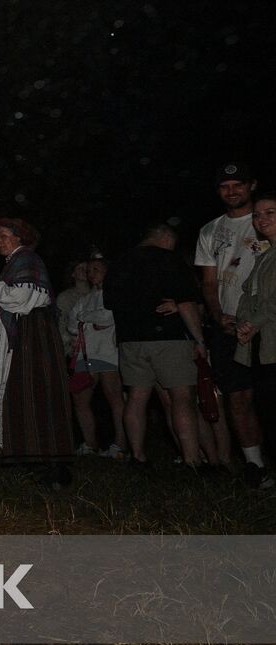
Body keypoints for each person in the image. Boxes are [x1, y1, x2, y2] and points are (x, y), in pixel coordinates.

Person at [105, 223, 209, 468]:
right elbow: (186, 303)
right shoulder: (169, 260)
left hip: (131, 340)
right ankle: (193, 461)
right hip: (168, 338)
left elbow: (110, 303)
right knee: (182, 396)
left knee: (137, 397)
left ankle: (138, 456)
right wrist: (199, 339)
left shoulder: (119, 264)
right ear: (165, 238)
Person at [0, 219, 73, 484]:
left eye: (4, 235)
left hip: (32, 336)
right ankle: (33, 457)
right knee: (22, 395)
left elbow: (22, 299)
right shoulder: (13, 262)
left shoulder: (27, 260)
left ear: (19, 237)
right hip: (23, 335)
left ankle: (54, 465)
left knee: (38, 393)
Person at [195, 162, 269, 487]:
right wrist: (217, 316)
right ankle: (256, 467)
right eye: (225, 187)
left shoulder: (267, 221)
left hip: (267, 324)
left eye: (238, 185)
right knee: (237, 397)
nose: (231, 192)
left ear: (251, 185)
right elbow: (209, 283)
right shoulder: (210, 231)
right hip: (229, 328)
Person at [66, 256, 128, 458]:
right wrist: (89, 319)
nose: (91, 273)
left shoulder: (117, 294)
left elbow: (109, 317)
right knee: (80, 399)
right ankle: (90, 444)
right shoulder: (85, 299)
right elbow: (71, 324)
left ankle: (119, 444)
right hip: (87, 354)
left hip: (110, 353)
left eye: (96, 269)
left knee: (115, 399)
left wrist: (86, 318)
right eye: (89, 270)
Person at [235, 193, 276, 489]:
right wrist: (243, 321)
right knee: (267, 411)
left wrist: (254, 322)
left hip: (268, 338)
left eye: (271, 213)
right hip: (264, 346)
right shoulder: (264, 257)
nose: (263, 220)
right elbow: (247, 294)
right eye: (258, 215)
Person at [55, 260, 92, 360]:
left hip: (96, 348)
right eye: (81, 269)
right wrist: (68, 347)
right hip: (74, 349)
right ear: (73, 273)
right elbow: (61, 324)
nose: (85, 271)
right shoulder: (65, 297)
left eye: (87, 269)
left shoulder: (97, 294)